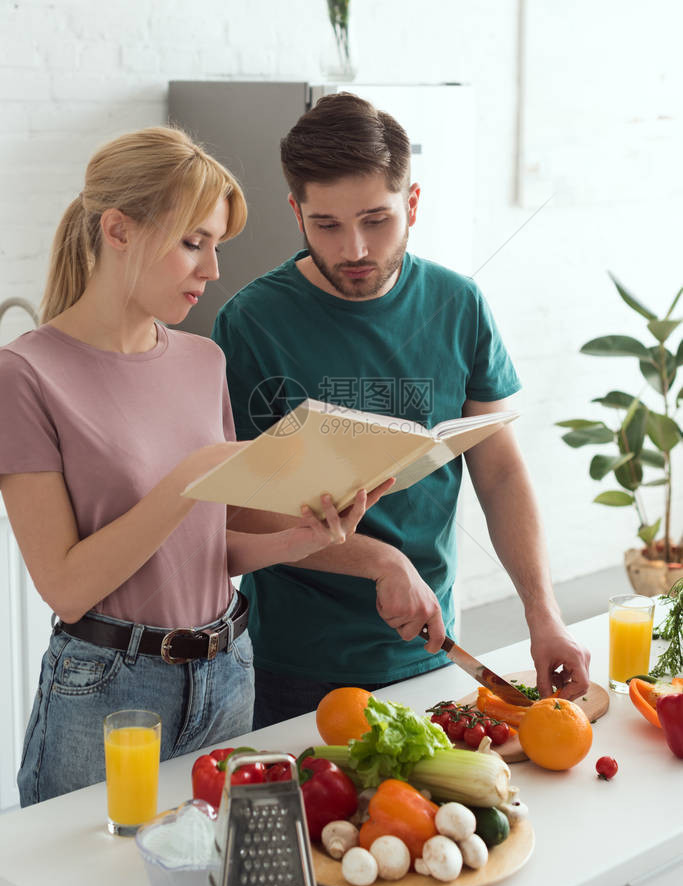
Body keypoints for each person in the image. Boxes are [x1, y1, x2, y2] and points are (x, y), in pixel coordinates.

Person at [0, 125, 386, 805]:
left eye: (215, 247)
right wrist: (190, 475)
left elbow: (206, 544)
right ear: (117, 230)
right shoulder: (24, 373)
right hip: (107, 691)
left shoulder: (203, 360)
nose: (211, 270)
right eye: (192, 243)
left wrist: (303, 537)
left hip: (230, 667)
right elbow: (64, 586)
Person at [212, 92, 591, 729]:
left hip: (434, 650)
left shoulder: (460, 303)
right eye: (326, 224)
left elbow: (498, 472)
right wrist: (383, 561)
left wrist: (543, 615)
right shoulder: (250, 322)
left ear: (411, 203)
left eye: (376, 219)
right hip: (295, 667)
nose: (354, 248)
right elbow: (239, 511)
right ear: (296, 212)